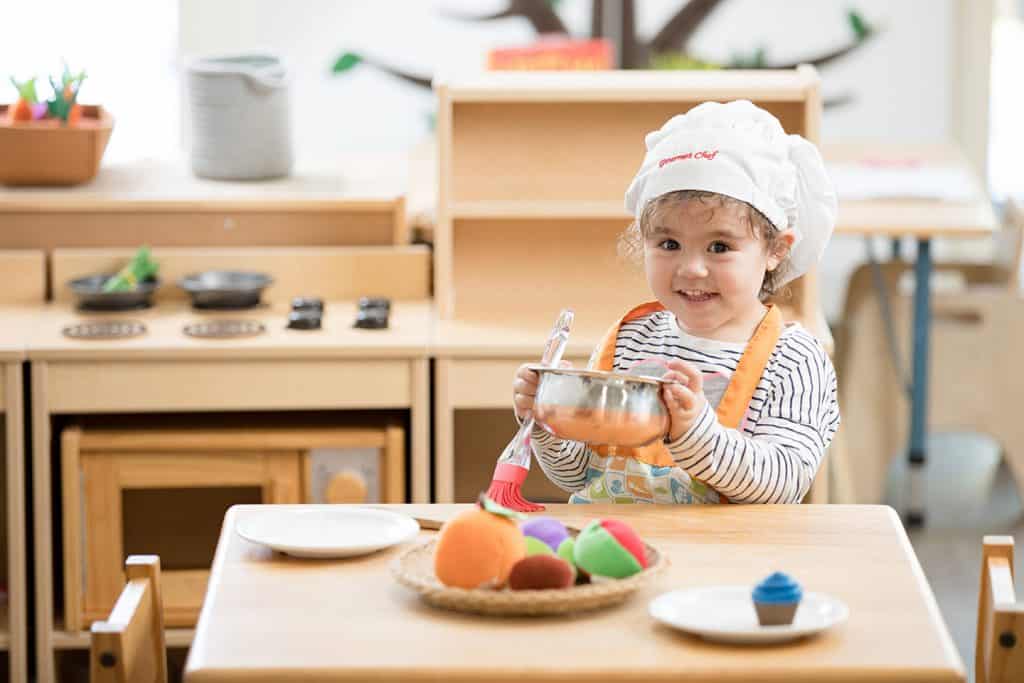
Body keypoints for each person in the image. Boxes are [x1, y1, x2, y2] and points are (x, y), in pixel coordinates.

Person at [512, 100, 840, 504]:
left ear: (776, 249)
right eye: (669, 244)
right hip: (620, 556)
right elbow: (579, 475)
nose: (691, 268)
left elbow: (781, 483)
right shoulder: (630, 340)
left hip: (725, 560)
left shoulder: (794, 360)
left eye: (719, 246)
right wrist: (548, 420)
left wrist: (694, 433)